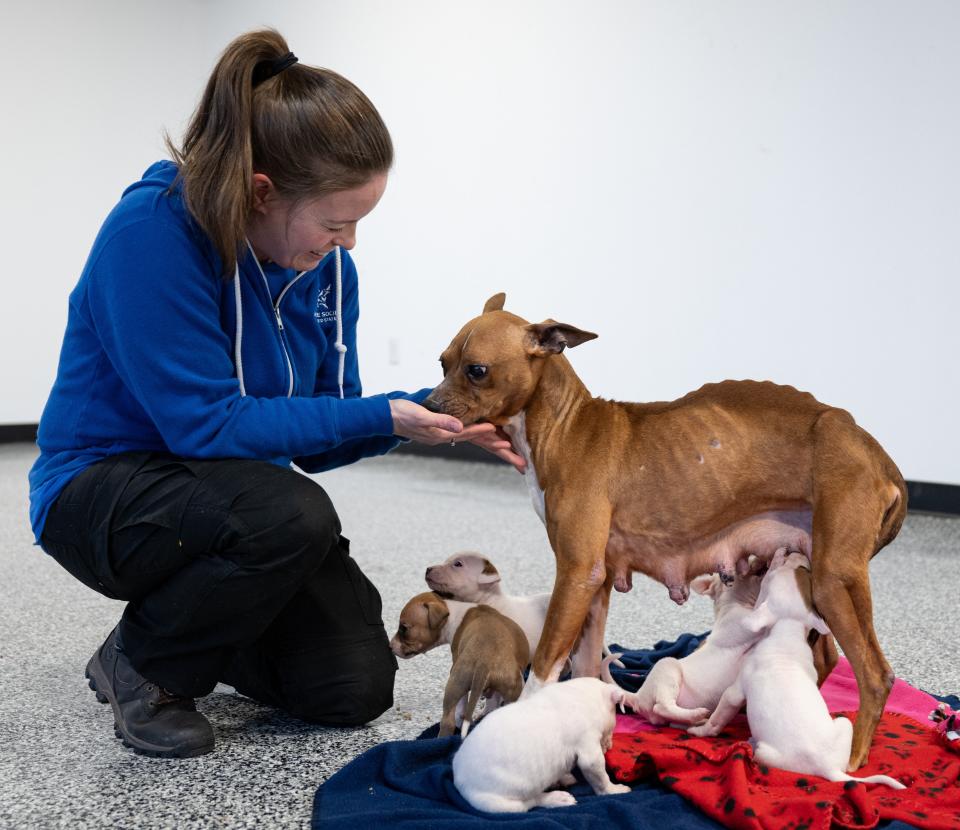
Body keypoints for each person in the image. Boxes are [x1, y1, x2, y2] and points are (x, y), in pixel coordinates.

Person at [28, 29, 523, 759]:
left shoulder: (325, 271)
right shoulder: (150, 234)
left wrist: (430, 414)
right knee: (291, 515)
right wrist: (381, 413)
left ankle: (194, 622)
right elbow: (204, 425)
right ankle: (145, 662)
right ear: (262, 193)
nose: (349, 243)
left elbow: (321, 439)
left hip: (228, 505)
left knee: (352, 686)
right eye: (336, 222)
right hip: (100, 490)